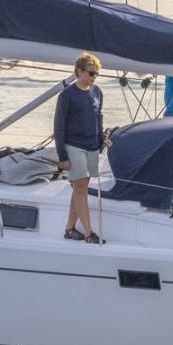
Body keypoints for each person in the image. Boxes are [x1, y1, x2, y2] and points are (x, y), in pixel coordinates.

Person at [54, 51, 105, 243]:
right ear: (79, 71)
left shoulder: (97, 92)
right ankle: (88, 232)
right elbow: (59, 126)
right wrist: (62, 155)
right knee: (81, 186)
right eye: (91, 73)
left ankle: (69, 229)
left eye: (96, 74)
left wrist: (102, 140)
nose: (94, 77)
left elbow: (98, 118)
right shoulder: (67, 95)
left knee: (79, 187)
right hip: (73, 145)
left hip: (92, 145)